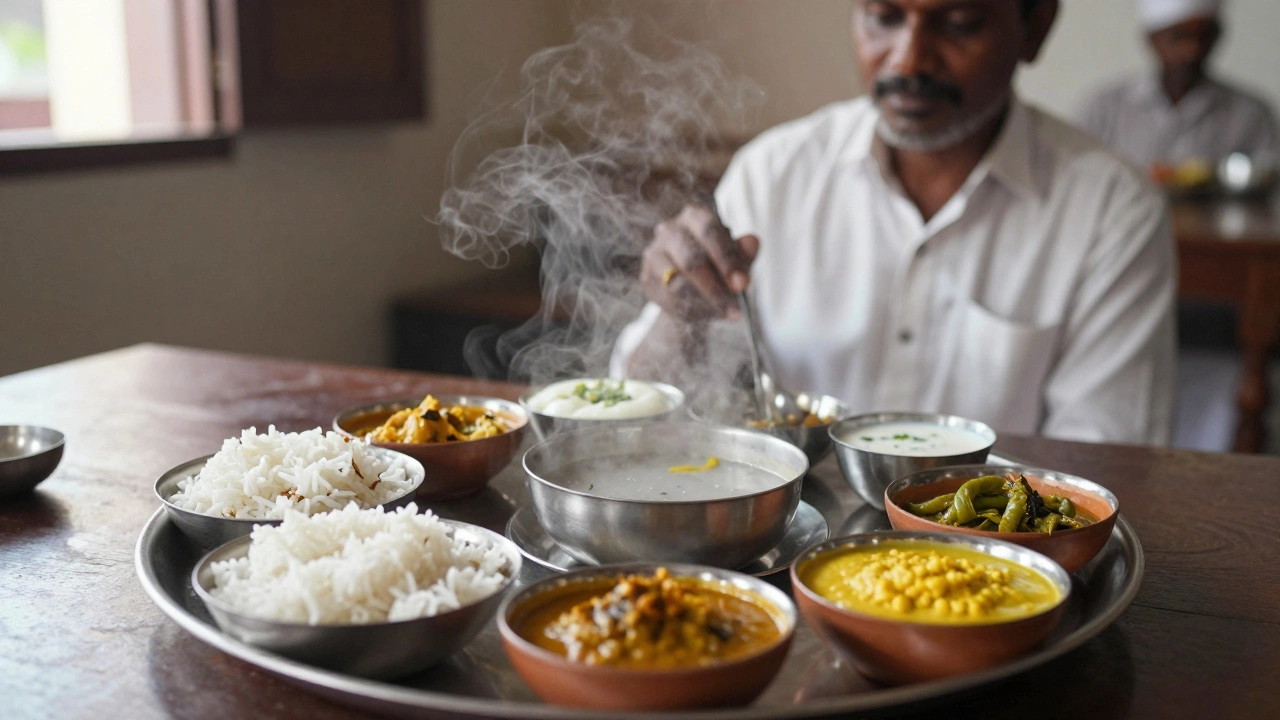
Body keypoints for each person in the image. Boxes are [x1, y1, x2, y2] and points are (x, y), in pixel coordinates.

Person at [613, 0, 1176, 445]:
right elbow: (640, 410)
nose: (907, 61)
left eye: (957, 23)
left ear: (1036, 28)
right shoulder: (775, 173)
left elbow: (1106, 458)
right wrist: (680, 316)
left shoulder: (1111, 211)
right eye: (884, 17)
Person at [1078, 0, 1279, 175]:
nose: (1191, 50)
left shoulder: (1251, 114)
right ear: (1152, 39)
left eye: (1204, 36)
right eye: (1178, 37)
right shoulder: (1105, 110)